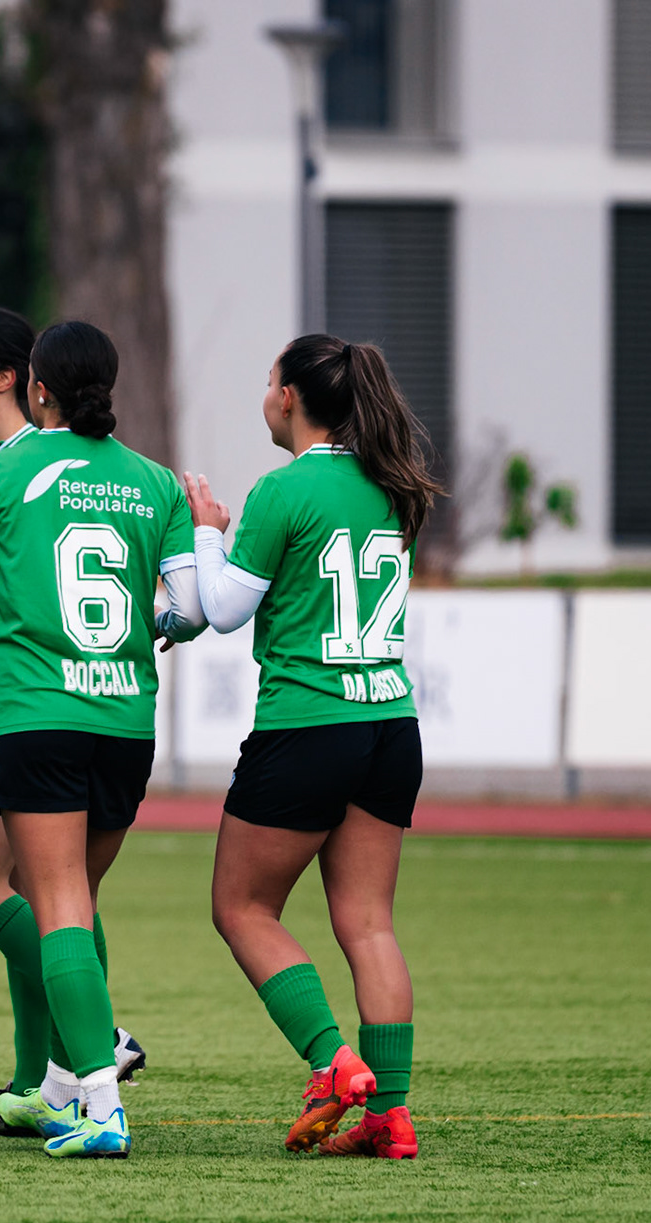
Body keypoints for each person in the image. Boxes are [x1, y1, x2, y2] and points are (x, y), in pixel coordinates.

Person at [0, 320, 205, 1158]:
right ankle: (58, 1088)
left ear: (37, 389)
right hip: (126, 721)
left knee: (55, 914)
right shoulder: (156, 483)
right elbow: (191, 613)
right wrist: (149, 620)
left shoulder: (1, 470)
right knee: (72, 908)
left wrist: (14, 607)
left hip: (38, 713)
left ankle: (99, 1100)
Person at [184, 334, 444, 1160]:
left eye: (269, 383)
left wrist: (206, 530)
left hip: (307, 724)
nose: (265, 396)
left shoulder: (284, 490)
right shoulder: (392, 486)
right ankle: (389, 1117)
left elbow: (223, 611)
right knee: (369, 925)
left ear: (290, 398)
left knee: (241, 908)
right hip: (389, 722)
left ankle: (333, 1062)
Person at [0, 305, 147, 1137]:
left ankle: (94, 1050)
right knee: (11, 889)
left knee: (27, 895)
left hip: (39, 707)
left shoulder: (21, 471)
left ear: (13, 378)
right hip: (46, 707)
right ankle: (40, 1085)